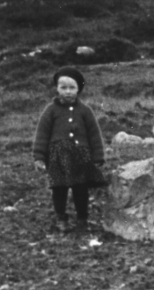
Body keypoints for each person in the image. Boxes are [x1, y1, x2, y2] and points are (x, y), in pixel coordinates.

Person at [32, 67, 107, 233]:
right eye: (63, 88)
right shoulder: (50, 111)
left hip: (81, 157)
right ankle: (61, 218)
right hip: (57, 157)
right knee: (59, 189)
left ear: (79, 89)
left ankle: (82, 219)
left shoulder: (85, 111)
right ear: (57, 89)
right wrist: (39, 157)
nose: (67, 92)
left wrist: (98, 156)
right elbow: (42, 135)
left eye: (72, 88)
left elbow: (94, 134)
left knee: (81, 189)